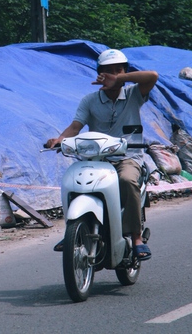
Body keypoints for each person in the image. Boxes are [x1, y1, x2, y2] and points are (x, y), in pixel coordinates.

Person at [44, 48, 158, 260]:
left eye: (118, 70)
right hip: (95, 160)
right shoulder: (90, 100)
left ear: (125, 72)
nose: (113, 74)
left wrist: (119, 79)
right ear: (99, 74)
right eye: (108, 71)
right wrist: (60, 139)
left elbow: (152, 76)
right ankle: (72, 230)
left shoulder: (134, 94)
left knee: (127, 180)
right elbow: (75, 126)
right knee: (74, 180)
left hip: (127, 158)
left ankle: (136, 238)